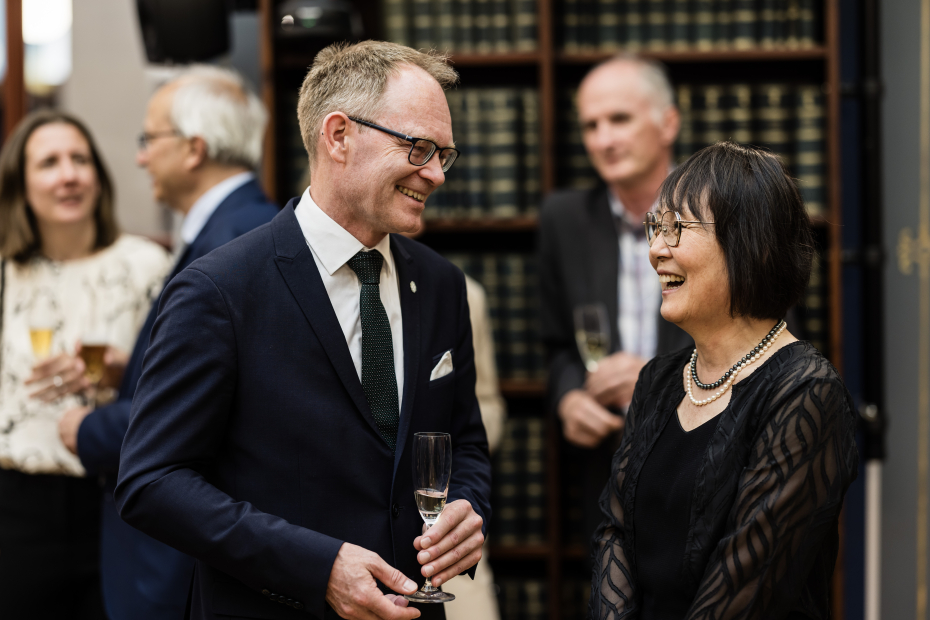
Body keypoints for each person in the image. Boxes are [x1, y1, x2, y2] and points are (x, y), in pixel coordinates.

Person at [114, 41, 492, 620]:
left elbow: (465, 441)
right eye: (419, 148)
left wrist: (469, 506)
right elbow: (152, 481)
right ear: (338, 135)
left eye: (445, 153)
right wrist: (319, 567)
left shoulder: (441, 285)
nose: (436, 174)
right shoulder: (219, 289)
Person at [589, 142, 858, 619]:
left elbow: (747, 581)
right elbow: (614, 532)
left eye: (676, 228)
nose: (656, 249)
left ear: (750, 242)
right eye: (656, 226)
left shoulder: (805, 392)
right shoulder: (659, 378)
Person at [55, 66, 280, 620]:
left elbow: (204, 412)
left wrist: (87, 428)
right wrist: (136, 366)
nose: (139, 157)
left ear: (194, 149)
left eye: (149, 140)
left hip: (181, 560)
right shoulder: (246, 226)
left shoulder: (228, 245)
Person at [0, 109, 171, 619]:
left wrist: (122, 375)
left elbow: (175, 385)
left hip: (119, 503)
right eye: (49, 163)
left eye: (80, 159)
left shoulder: (148, 266)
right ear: (20, 184)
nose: (69, 174)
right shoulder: (5, 274)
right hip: (16, 510)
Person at [538, 54, 692, 546]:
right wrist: (568, 399)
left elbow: (765, 343)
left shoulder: (725, 213)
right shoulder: (563, 220)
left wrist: (657, 376)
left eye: (619, 119)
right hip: (604, 475)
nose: (603, 139)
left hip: (706, 460)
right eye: (591, 125)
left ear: (668, 123)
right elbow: (555, 345)